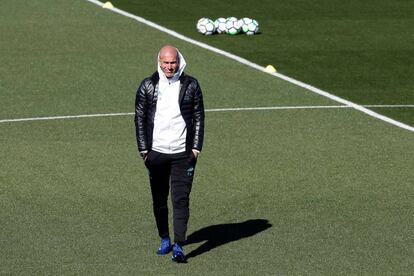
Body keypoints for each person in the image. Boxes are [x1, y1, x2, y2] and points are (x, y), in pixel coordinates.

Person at [134, 45, 205, 263]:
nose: (169, 66)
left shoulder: (191, 85)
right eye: (165, 62)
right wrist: (144, 150)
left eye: (172, 62)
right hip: (156, 154)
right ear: (159, 62)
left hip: (183, 154)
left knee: (181, 199)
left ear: (179, 61)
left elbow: (199, 116)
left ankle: (179, 245)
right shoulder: (147, 85)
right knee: (159, 199)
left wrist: (195, 148)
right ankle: (164, 238)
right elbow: (139, 118)